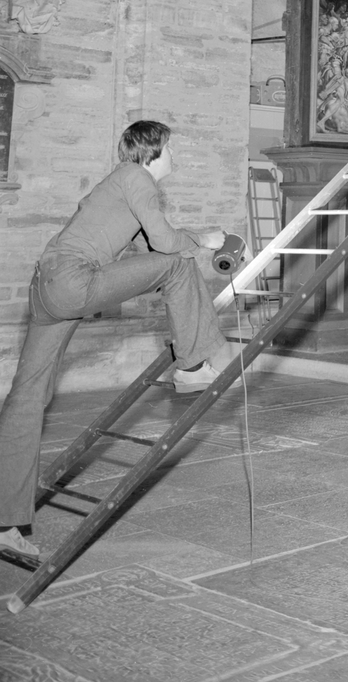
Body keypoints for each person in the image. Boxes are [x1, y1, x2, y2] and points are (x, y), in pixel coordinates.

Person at [0, 121, 238, 559]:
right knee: (178, 264)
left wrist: (184, 241)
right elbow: (166, 245)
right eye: (171, 148)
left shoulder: (122, 182)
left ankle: (4, 523)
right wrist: (205, 239)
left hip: (46, 287)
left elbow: (152, 241)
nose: (175, 156)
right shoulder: (137, 178)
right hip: (73, 280)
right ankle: (190, 367)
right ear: (155, 151)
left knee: (27, 398)